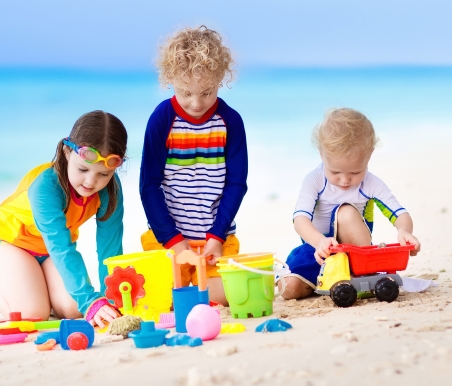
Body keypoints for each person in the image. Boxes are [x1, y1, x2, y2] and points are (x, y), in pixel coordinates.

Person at [0, 111, 127, 328]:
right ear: (67, 151)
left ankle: (36, 288)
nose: (91, 181)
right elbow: (61, 248)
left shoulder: (111, 189)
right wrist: (90, 300)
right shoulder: (46, 187)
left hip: (50, 251)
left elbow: (110, 249)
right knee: (33, 314)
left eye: (103, 174)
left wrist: (112, 300)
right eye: (83, 169)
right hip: (13, 243)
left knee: (74, 310)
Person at [139, 26, 248, 305]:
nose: (196, 103)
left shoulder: (230, 122)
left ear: (220, 78)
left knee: (221, 296)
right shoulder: (162, 119)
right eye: (186, 92)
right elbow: (149, 186)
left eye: (207, 92)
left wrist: (217, 237)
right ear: (170, 80)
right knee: (158, 297)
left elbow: (236, 184)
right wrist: (173, 241)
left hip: (215, 240)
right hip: (168, 240)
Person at [280, 108, 421, 299]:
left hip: (356, 256)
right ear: (322, 154)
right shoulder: (314, 180)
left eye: (355, 173)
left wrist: (404, 231)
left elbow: (398, 214)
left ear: (369, 156)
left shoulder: (371, 183)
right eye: (335, 172)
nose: (345, 180)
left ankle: (359, 276)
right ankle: (327, 281)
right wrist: (319, 241)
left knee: (345, 212)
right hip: (319, 252)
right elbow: (300, 220)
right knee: (289, 289)